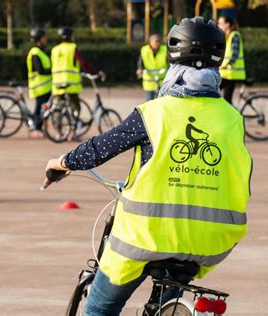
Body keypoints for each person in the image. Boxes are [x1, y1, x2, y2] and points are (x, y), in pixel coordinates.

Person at [44, 17, 252, 315]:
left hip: (145, 235)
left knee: (99, 309)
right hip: (209, 241)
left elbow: (101, 148)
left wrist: (63, 162)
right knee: (169, 301)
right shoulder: (233, 120)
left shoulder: (153, 112)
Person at [51, 26, 104, 141]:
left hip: (57, 83)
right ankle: (73, 132)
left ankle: (59, 132)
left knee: (58, 107)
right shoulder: (72, 48)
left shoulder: (54, 50)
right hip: (70, 84)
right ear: (70, 36)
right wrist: (95, 72)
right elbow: (83, 63)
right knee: (76, 107)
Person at [27, 28, 52, 138]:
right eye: (44, 37)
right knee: (39, 109)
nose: (46, 39)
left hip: (45, 86)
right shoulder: (35, 53)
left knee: (42, 108)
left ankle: (38, 127)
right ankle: (36, 128)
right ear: (39, 39)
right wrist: (53, 70)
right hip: (39, 87)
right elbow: (40, 70)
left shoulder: (41, 52)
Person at [218, 16, 246, 104]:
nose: (218, 25)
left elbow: (235, 54)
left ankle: (231, 117)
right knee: (222, 97)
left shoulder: (234, 36)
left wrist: (227, 65)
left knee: (226, 99)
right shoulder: (228, 37)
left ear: (227, 24)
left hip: (233, 73)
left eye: (221, 23)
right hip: (227, 74)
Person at [136, 33, 167, 101]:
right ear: (150, 42)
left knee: (161, 101)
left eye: (159, 41)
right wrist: (139, 69)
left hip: (162, 80)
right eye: (156, 41)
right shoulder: (144, 50)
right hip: (149, 80)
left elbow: (169, 62)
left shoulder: (165, 49)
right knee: (149, 101)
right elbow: (140, 62)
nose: (158, 43)